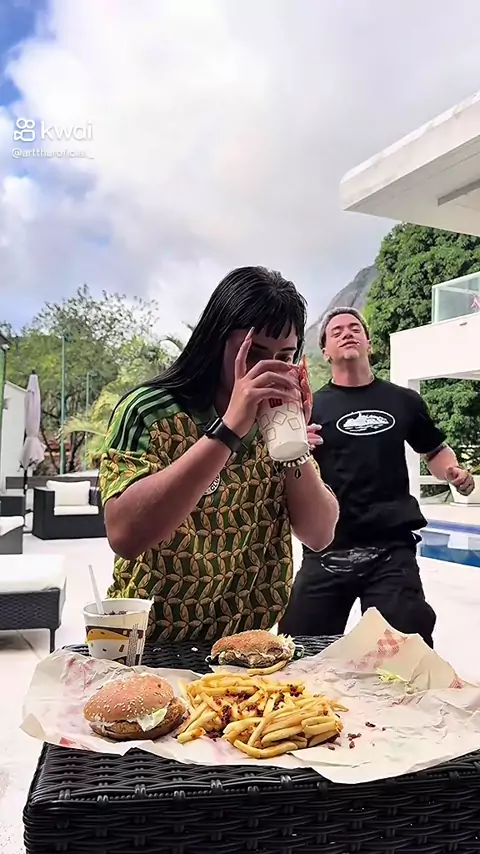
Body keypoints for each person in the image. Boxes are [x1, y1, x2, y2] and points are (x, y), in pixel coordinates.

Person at [99, 267, 339, 642]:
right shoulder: (151, 412)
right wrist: (228, 430)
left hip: (244, 644)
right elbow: (125, 535)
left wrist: (295, 448)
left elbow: (319, 534)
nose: (271, 370)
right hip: (146, 641)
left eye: (286, 356)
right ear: (216, 342)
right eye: (254, 353)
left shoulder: (277, 423)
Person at [279, 307, 474, 647]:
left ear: (368, 343)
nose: (347, 332)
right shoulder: (309, 410)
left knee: (407, 651)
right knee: (296, 650)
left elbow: (434, 450)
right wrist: (298, 447)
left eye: (355, 328)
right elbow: (287, 470)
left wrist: (452, 472)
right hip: (327, 549)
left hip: (391, 551)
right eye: (337, 331)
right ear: (325, 350)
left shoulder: (403, 401)